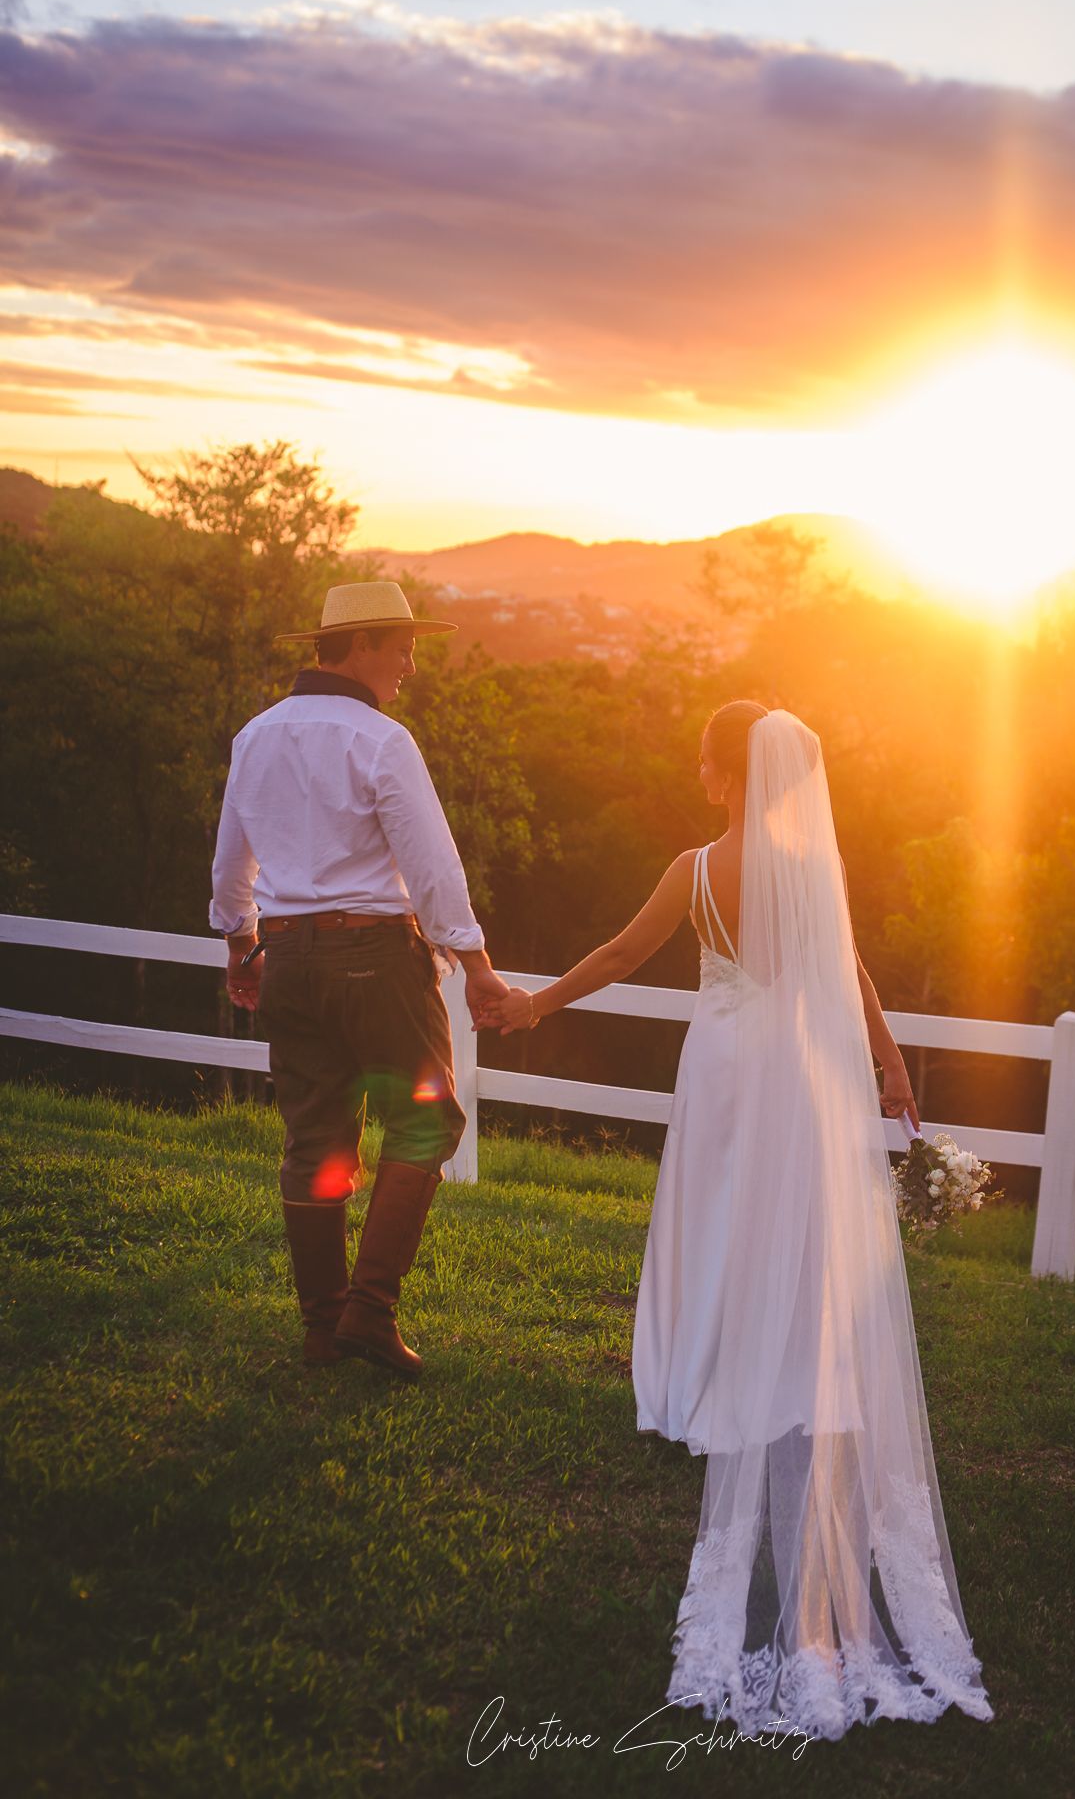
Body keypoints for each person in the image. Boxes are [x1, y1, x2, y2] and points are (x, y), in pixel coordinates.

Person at [486, 701, 992, 1739]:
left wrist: (536, 1006)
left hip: (720, 1070)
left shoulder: (694, 867)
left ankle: (694, 1381)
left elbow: (625, 952)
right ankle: (782, 1367)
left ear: (727, 775)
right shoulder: (807, 866)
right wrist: (890, 1059)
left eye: (707, 768)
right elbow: (847, 970)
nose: (703, 782)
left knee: (710, 1224)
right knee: (792, 1232)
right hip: (798, 1076)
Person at [209, 580, 509, 1378]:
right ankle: (369, 1313)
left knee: (315, 1139)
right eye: (404, 645)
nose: (412, 662)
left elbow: (230, 862)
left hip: (290, 962)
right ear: (365, 644)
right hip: (376, 960)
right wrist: (475, 965)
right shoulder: (381, 740)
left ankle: (321, 1328)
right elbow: (433, 865)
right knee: (424, 1125)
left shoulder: (255, 736)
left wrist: (242, 948)